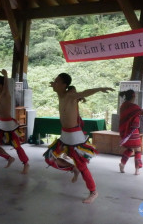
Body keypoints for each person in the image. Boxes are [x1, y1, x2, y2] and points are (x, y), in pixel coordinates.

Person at [43, 72, 114, 204]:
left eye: (57, 81)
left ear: (64, 85)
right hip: (64, 136)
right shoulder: (61, 94)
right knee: (50, 158)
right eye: (54, 81)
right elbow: (60, 88)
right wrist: (54, 85)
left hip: (75, 137)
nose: (54, 83)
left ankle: (93, 191)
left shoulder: (70, 95)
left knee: (83, 167)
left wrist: (99, 89)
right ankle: (73, 167)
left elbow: (84, 93)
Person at [0, 66, 29, 173]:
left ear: (0, 86)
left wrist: (5, 76)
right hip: (1, 125)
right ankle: (9, 158)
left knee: (17, 146)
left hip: (9, 125)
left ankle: (26, 164)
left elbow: (6, 86)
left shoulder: (5, 93)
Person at [118, 89, 143, 175]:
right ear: (133, 96)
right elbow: (142, 112)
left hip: (125, 131)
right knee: (138, 149)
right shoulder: (133, 107)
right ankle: (137, 170)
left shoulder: (123, 106)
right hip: (133, 131)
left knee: (130, 149)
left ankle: (122, 163)